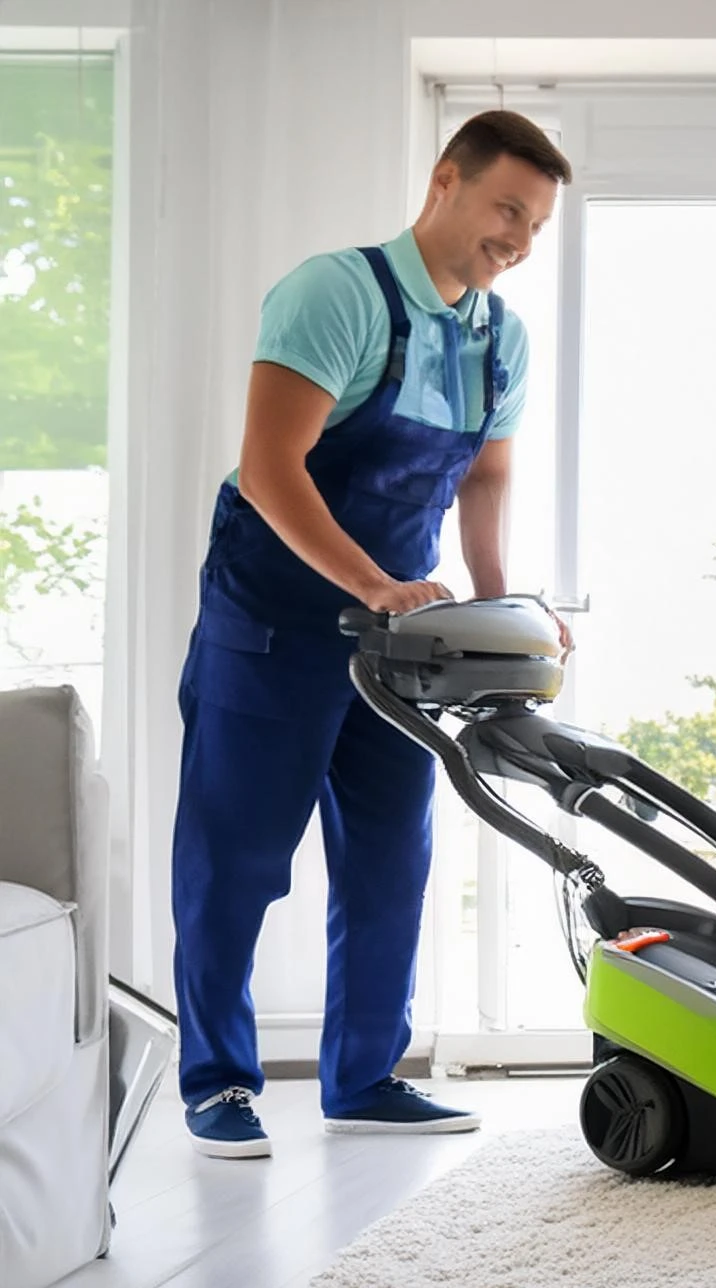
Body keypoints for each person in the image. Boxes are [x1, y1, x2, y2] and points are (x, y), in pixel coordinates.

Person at [173, 111, 571, 1157]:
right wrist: (376, 582)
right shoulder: (337, 295)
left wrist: (500, 611)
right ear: (446, 181)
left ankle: (363, 1079)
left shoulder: (501, 338)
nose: (519, 240)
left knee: (393, 859)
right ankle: (215, 1084)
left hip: (395, 649)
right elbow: (271, 469)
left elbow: (484, 480)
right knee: (238, 858)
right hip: (272, 619)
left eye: (536, 225)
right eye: (506, 210)